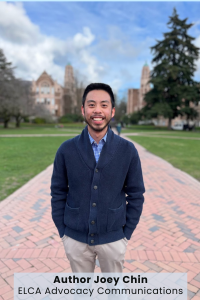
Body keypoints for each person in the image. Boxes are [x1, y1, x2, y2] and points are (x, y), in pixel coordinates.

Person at [51, 83, 145, 273]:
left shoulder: (128, 150)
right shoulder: (66, 150)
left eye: (104, 105)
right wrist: (64, 234)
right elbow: (58, 193)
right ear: (83, 109)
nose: (97, 110)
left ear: (112, 111)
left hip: (113, 240)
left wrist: (125, 235)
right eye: (92, 105)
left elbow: (136, 195)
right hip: (75, 241)